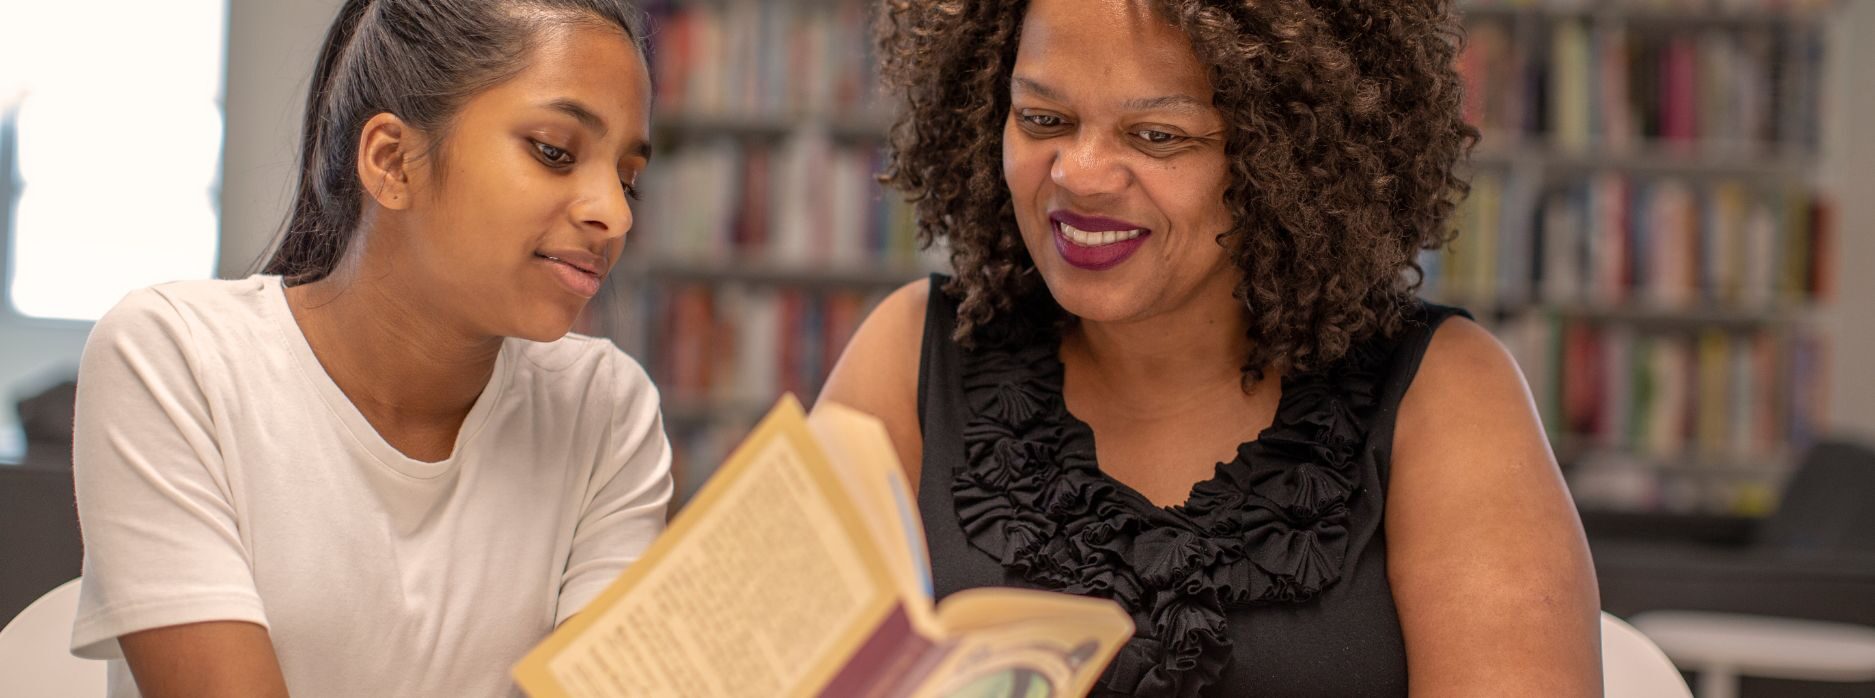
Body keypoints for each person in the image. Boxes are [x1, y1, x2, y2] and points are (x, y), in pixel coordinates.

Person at [820, 0, 1601, 695]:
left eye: (1156, 135)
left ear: (1287, 157)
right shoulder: (910, 354)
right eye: (1042, 120)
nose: (1078, 174)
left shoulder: (1446, 393)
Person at [68, 1, 670, 696]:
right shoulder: (174, 360)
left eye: (628, 178)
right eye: (554, 152)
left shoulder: (605, 412)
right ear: (392, 161)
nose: (614, 213)